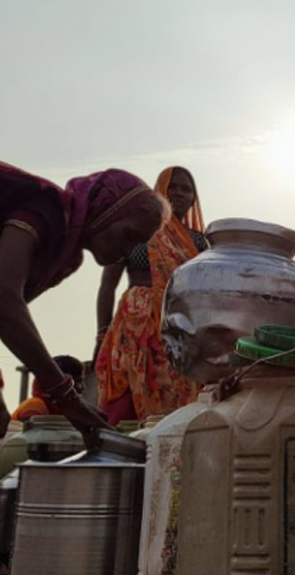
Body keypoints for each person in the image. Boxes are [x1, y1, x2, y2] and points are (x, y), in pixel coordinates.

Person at [0, 152, 167, 575]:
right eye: (130, 233)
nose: (131, 248)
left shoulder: (65, 255)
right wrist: (65, 396)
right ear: (108, 210)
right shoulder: (46, 209)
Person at [94, 167, 206, 424]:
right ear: (159, 191)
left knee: (181, 393)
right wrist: (101, 333)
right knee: (128, 391)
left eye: (186, 189)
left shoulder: (199, 242)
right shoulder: (137, 231)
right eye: (172, 187)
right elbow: (107, 286)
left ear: (193, 198)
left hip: (180, 325)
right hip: (137, 323)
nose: (178, 193)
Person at [11, 355, 86, 421]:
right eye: (78, 382)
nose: (83, 387)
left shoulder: (67, 411)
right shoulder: (35, 405)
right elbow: (33, 435)